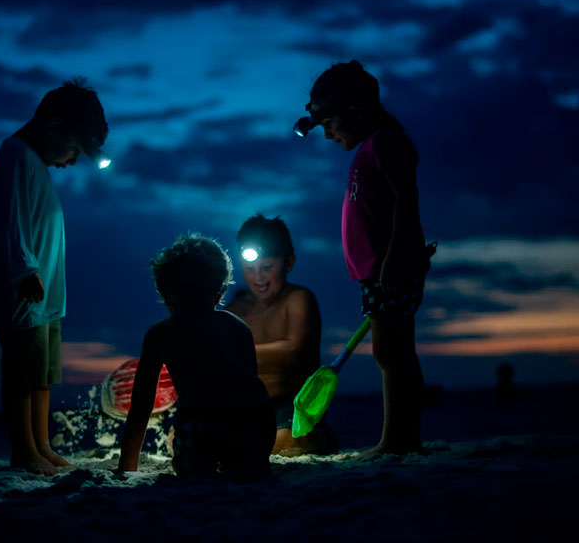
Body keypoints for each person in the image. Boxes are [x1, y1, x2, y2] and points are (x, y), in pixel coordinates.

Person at [296, 60, 434, 455]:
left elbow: (406, 203)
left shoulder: (387, 143)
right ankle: (398, 438)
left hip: (390, 269)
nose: (326, 135)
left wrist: (396, 257)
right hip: (378, 272)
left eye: (328, 124)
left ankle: (400, 440)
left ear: (354, 110)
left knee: (394, 353)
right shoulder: (372, 148)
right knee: (388, 352)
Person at [0, 78, 108, 475]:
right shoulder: (15, 155)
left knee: (42, 372)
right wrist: (24, 270)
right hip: (26, 291)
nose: (72, 161)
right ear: (53, 127)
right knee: (21, 369)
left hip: (46, 296)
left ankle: (42, 444)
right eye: (73, 150)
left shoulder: (36, 163)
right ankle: (24, 450)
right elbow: (11, 220)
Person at [117, 234, 275, 482]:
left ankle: (196, 462)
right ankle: (249, 463)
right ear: (220, 290)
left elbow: (141, 405)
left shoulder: (161, 334)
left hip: (205, 431)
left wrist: (126, 466)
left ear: (165, 292)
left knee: (185, 448)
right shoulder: (238, 327)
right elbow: (253, 389)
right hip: (255, 430)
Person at [226, 214, 337, 455]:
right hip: (244, 407)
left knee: (285, 442)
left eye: (267, 268)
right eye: (250, 269)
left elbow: (293, 350)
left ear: (289, 263)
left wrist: (231, 353)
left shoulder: (298, 299)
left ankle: (319, 436)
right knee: (186, 437)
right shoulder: (234, 310)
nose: (259, 278)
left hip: (289, 405)